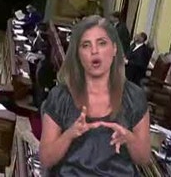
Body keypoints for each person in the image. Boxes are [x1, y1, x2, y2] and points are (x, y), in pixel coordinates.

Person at [39, 15, 151, 174]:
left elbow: (144, 159)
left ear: (114, 49)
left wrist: (129, 138)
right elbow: (46, 159)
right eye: (86, 45)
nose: (94, 51)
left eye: (102, 43)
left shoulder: (134, 97)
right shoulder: (60, 96)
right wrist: (69, 135)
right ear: (78, 54)